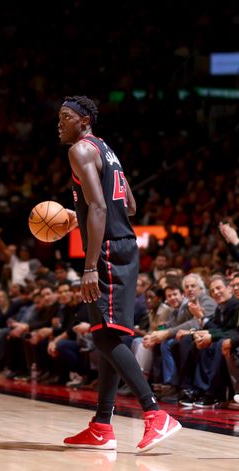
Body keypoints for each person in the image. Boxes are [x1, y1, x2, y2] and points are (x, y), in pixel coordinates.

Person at [56, 95, 180, 452]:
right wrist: (77, 212)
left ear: (83, 121)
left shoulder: (80, 150)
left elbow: (98, 206)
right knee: (108, 335)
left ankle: (155, 413)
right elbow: (130, 204)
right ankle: (101, 425)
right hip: (125, 244)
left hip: (108, 250)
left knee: (106, 340)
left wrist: (90, 265)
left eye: (65, 117)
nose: (59, 123)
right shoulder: (105, 148)